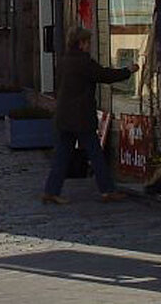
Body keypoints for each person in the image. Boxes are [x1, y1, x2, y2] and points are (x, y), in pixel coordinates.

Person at [42, 25, 138, 205]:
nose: (90, 46)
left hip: (63, 116)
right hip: (80, 118)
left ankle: (51, 191)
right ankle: (107, 190)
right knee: (95, 154)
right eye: (88, 42)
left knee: (62, 155)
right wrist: (128, 71)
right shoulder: (83, 62)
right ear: (81, 43)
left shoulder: (64, 60)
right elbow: (104, 75)